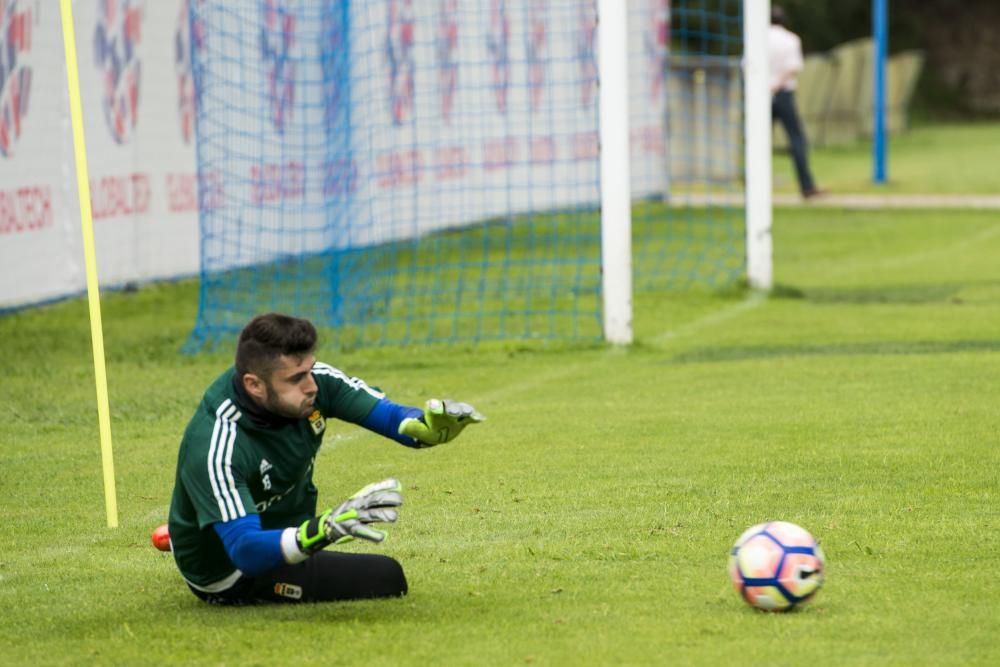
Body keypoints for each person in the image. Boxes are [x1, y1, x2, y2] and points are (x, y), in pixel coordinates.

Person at [164, 312, 484, 605]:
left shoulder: (311, 380)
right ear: (254, 385)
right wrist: (321, 530)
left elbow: (388, 416)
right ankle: (197, 535)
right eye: (295, 379)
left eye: (309, 370)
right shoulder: (217, 446)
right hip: (229, 571)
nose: (311, 386)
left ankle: (197, 524)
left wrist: (424, 428)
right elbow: (246, 551)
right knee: (387, 576)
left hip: (278, 528)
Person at [769, 5, 825, 199]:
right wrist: (777, 84)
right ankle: (807, 186)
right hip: (783, 93)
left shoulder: (756, 39)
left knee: (757, 142)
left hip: (761, 96)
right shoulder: (791, 39)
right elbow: (792, 67)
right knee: (796, 139)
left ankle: (753, 185)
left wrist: (767, 86)